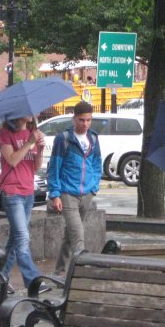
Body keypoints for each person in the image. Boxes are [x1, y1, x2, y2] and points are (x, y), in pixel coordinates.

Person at [47, 101, 102, 277]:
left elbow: (96, 163)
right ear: (74, 119)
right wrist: (55, 194)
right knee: (78, 234)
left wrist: (94, 187)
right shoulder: (63, 139)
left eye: (88, 120)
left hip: (87, 193)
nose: (85, 124)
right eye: (81, 120)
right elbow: (54, 167)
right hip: (67, 193)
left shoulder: (93, 138)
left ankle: (59, 272)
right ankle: (80, 274)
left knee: (70, 235)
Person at [0, 116, 50, 294]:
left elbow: (34, 167)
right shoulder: (5, 133)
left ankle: (0, 279)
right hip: (12, 192)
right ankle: (33, 281)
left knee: (15, 239)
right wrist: (29, 142)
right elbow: (12, 160)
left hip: (28, 192)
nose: (32, 113)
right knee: (22, 237)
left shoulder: (31, 132)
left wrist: (40, 149)